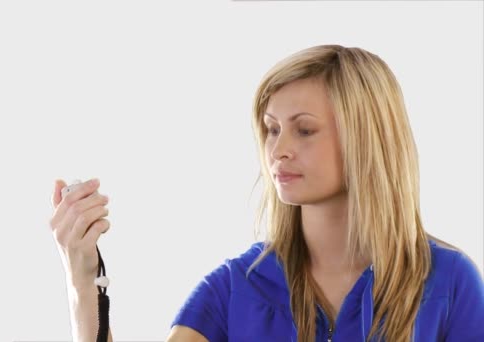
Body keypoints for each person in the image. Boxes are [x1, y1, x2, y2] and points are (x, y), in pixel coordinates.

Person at [49, 44, 484, 342]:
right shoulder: (237, 285)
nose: (278, 150)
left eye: (305, 130)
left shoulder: (448, 281)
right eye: (271, 129)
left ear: (367, 139)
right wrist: (83, 281)